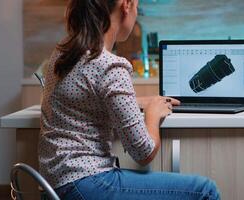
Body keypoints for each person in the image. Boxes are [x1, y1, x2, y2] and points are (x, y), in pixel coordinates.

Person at [38, 0, 220, 199]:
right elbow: (144, 153)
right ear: (126, 4)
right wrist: (152, 114)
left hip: (54, 185)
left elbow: (86, 98)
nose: (136, 14)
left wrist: (137, 102)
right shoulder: (109, 65)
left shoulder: (64, 52)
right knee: (205, 191)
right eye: (137, 7)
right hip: (87, 184)